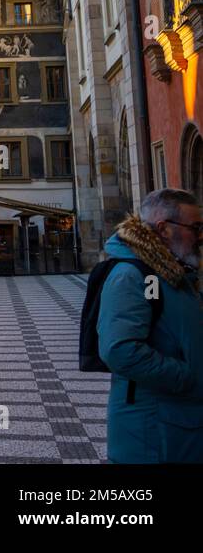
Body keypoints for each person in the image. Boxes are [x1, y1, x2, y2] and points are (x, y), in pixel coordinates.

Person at [96, 189, 203, 463]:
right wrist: (187, 377)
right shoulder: (133, 275)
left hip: (178, 425)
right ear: (164, 229)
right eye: (195, 227)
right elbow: (120, 350)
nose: (200, 236)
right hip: (152, 433)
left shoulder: (172, 272)